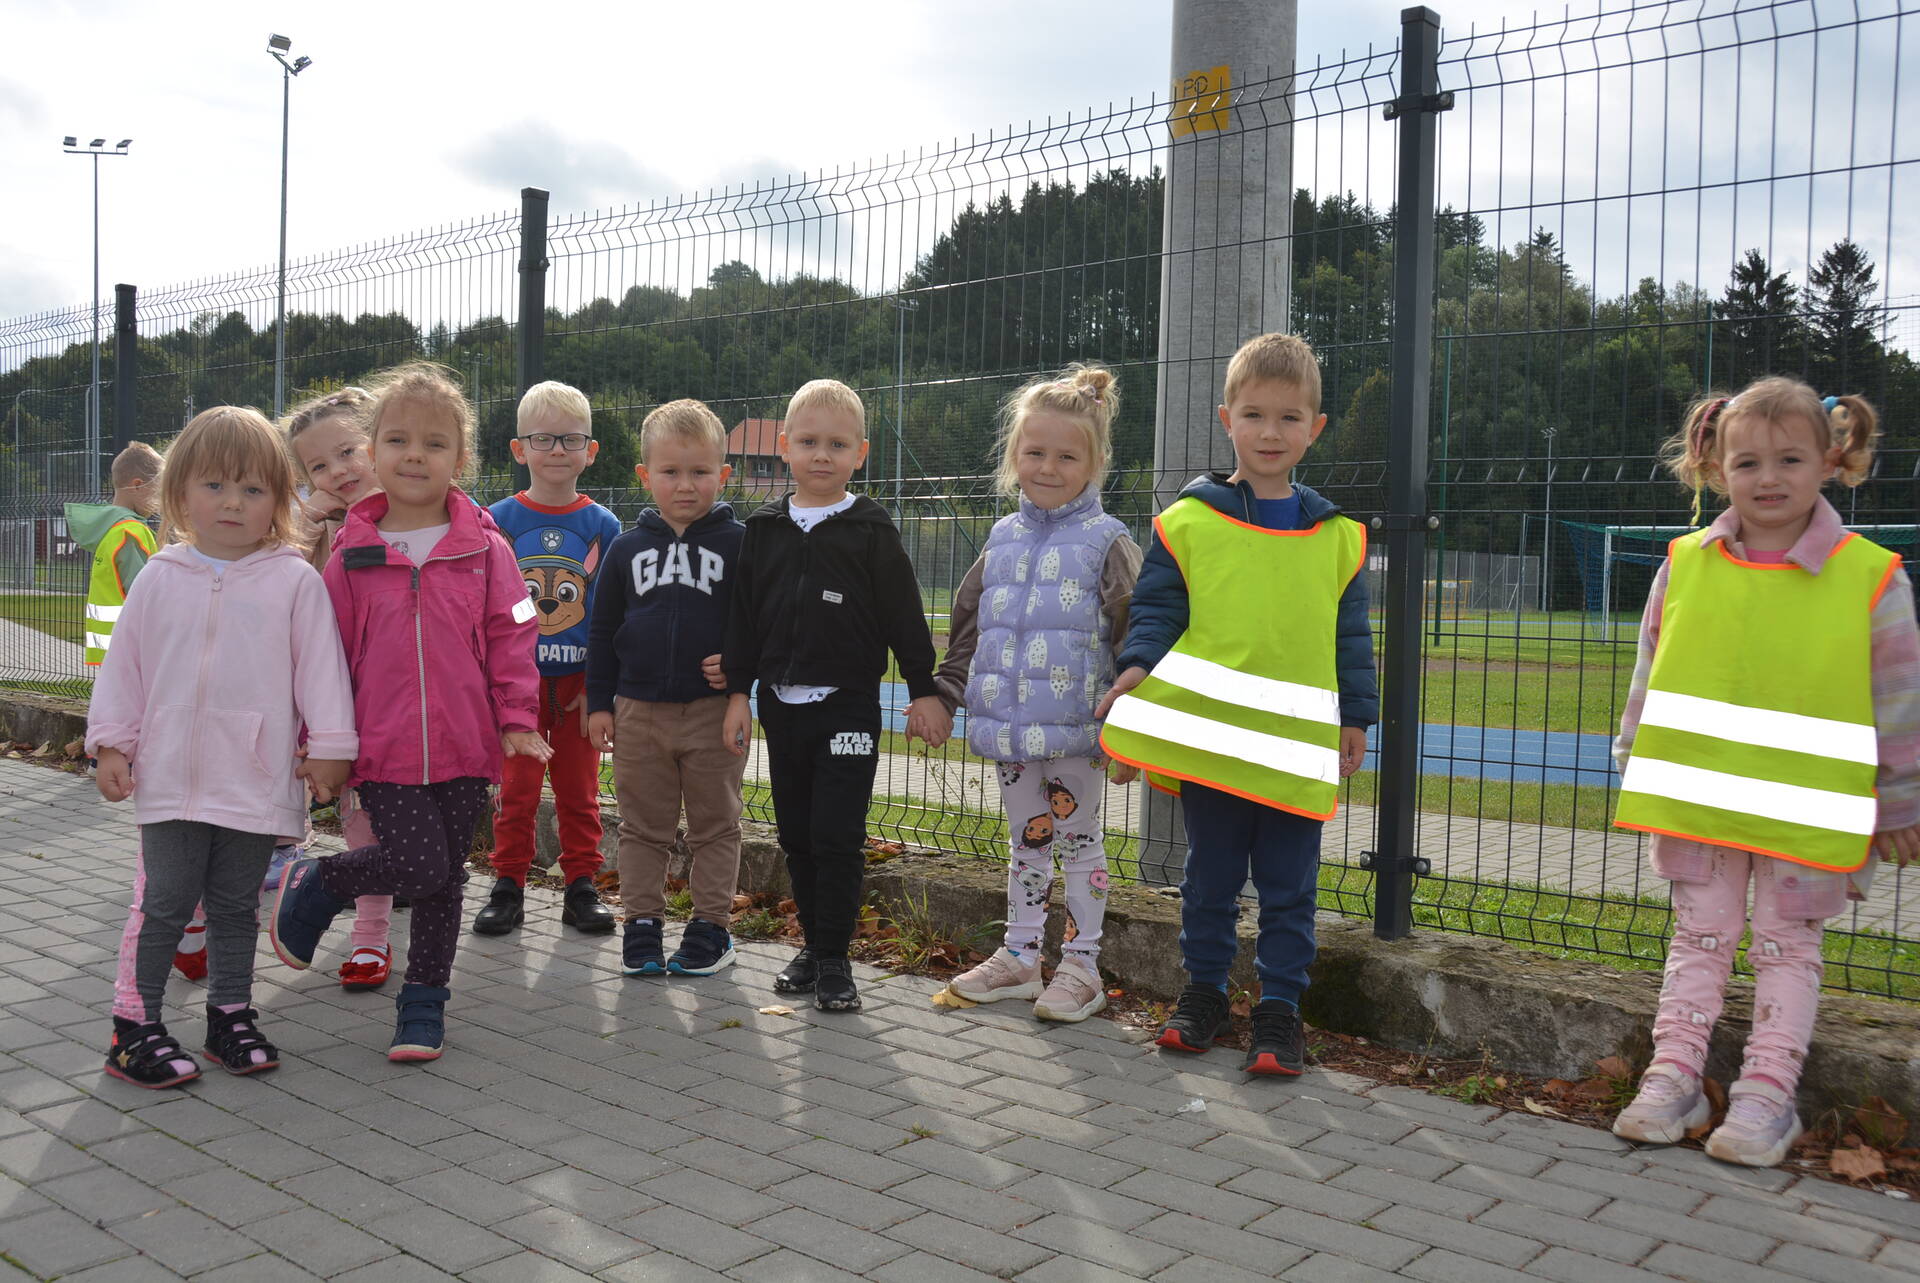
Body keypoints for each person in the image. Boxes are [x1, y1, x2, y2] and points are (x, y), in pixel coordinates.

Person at [1610, 377, 1920, 1167]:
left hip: (1809, 815)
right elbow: (1652, 669)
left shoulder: (1872, 576)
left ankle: (1767, 1095)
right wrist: (1635, 760)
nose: (1769, 477)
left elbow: (1899, 700)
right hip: (1699, 802)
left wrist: (1898, 803)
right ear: (1716, 468)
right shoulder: (1684, 564)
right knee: (1699, 937)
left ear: (1832, 460)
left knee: (1787, 949)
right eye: (1748, 462)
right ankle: (1674, 1078)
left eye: (1790, 458)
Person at [1098, 332, 1376, 1076]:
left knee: (1289, 889)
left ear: (1315, 428)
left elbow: (1351, 638)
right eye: (1254, 415)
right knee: (1209, 881)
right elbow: (1156, 612)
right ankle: (1204, 994)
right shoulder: (1189, 522)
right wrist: (1135, 671)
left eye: (1289, 418)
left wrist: (1355, 716)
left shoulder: (1338, 537)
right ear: (1227, 420)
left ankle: (1280, 1010)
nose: (1270, 432)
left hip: (1295, 748)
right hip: (1213, 743)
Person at [271, 362, 547, 1063]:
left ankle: (424, 1003)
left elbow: (515, 634)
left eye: (434, 442)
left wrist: (518, 717)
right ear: (374, 451)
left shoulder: (487, 548)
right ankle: (323, 880)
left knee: (444, 879)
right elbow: (323, 655)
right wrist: (319, 741)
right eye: (397, 440)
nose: (415, 455)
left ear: (461, 458)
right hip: (384, 748)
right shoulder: (352, 555)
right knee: (421, 866)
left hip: (467, 746)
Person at [86, 407, 357, 1087]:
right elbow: (125, 669)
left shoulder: (294, 581)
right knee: (166, 903)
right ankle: (133, 1027)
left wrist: (331, 747)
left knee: (237, 906)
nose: (233, 502)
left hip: (255, 777)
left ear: (280, 500)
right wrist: (112, 744)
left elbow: (321, 672)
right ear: (180, 493)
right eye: (215, 485)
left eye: (253, 488)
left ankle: (230, 1015)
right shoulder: (160, 576)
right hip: (170, 779)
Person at [722, 378, 953, 1012]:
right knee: (796, 835)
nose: (821, 455)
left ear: (860, 453)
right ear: (784, 446)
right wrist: (738, 694)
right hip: (780, 708)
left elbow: (904, 616)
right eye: (808, 442)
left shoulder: (870, 529)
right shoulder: (762, 530)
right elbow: (743, 619)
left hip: (848, 706)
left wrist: (924, 690)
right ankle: (813, 945)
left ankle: (834, 959)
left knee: (837, 835)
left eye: (837, 444)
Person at [935, 364, 1142, 1022]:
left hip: (1079, 731)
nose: (1048, 467)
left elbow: (1133, 636)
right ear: (1014, 455)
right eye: (1034, 452)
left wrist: (1131, 732)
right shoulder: (1000, 538)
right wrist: (945, 692)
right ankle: (1021, 957)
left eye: (1066, 456)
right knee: (1026, 842)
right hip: (1011, 732)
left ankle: (1081, 966)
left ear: (1096, 463)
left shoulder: (1109, 542)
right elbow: (968, 623)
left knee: (1079, 842)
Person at [586, 399, 746, 977]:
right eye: (670, 471)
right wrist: (599, 704)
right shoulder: (626, 548)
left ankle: (711, 928)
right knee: (642, 828)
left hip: (713, 713)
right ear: (644, 475)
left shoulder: (740, 544)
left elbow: (757, 626)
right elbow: (602, 629)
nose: (685, 485)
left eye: (700, 472)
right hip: (637, 711)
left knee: (715, 825)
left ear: (723, 474)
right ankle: (642, 925)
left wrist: (739, 674)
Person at [473, 381, 621, 939]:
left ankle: (581, 885)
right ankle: (508, 884)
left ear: (590, 450)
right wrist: (493, 687)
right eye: (543, 438)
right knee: (516, 792)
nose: (557, 449)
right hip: (519, 688)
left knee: (580, 793)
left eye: (570, 439)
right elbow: (482, 609)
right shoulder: (496, 521)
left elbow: (611, 617)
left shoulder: (605, 527)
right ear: (519, 449)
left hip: (579, 685)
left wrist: (600, 690)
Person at [282, 385, 396, 990]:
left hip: (417, 708)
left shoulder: (421, 512)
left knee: (423, 838)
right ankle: (370, 936)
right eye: (318, 466)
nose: (338, 472)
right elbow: (277, 578)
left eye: (348, 452)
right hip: (345, 707)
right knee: (362, 823)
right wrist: (307, 520)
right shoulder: (321, 530)